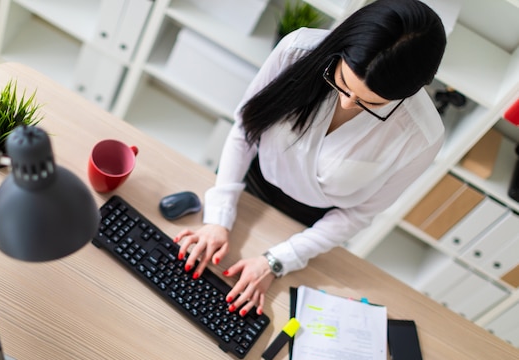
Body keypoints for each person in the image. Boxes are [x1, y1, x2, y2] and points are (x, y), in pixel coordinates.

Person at [174, 0, 447, 317]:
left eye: (369, 103)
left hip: (310, 221)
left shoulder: (421, 137)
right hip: (251, 177)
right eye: (342, 83)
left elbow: (357, 215)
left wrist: (276, 261)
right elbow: (246, 128)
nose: (346, 103)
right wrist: (218, 218)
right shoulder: (298, 51)